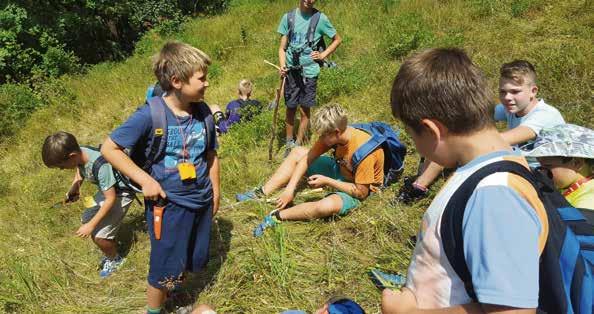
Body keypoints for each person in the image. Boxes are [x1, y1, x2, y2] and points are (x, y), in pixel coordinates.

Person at [383, 48, 545, 313]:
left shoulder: (495, 195)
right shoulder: (479, 170)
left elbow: (512, 311)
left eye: (412, 135)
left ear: (433, 131)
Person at [101, 41, 220, 314]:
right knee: (163, 264)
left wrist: (216, 191)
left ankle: (174, 293)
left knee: (192, 257)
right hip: (169, 207)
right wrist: (145, 180)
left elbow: (211, 155)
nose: (207, 84)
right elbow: (110, 148)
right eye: (202, 78)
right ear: (177, 81)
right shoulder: (149, 115)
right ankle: (154, 310)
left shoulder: (203, 113)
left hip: (201, 200)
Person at [396, 59, 565, 204]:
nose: (507, 97)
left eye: (515, 92)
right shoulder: (512, 108)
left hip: (544, 174)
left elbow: (502, 139)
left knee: (456, 140)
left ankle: (420, 187)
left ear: (533, 91)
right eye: (502, 92)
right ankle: (420, 183)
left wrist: (461, 139)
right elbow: (478, 113)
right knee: (452, 133)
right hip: (518, 163)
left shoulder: (543, 115)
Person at [235, 104, 384, 237]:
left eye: (323, 135)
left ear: (337, 132)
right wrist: (290, 190)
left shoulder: (364, 151)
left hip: (358, 186)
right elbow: (307, 158)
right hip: (341, 169)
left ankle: (277, 216)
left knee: (326, 206)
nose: (320, 139)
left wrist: (327, 181)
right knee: (297, 152)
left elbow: (361, 192)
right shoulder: (333, 136)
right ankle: (261, 192)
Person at [41, 131, 132, 278]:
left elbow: (110, 199)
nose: (62, 170)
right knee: (87, 217)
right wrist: (75, 186)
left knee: (98, 236)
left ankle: (115, 259)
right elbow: (80, 169)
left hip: (120, 194)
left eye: (62, 166)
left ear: (72, 156)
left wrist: (91, 227)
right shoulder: (80, 153)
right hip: (108, 191)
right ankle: (111, 245)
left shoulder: (100, 166)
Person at [278, 0, 342, 153]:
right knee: (290, 107)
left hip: (309, 72)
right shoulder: (288, 18)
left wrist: (322, 55)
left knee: (305, 110)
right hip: (292, 71)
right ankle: (289, 143)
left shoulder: (320, 19)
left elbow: (337, 39)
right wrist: (282, 65)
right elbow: (282, 48)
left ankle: (298, 144)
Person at [524, 123, 594, 210]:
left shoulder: (587, 202)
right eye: (539, 164)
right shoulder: (568, 187)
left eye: (547, 166)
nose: (542, 171)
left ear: (577, 163)